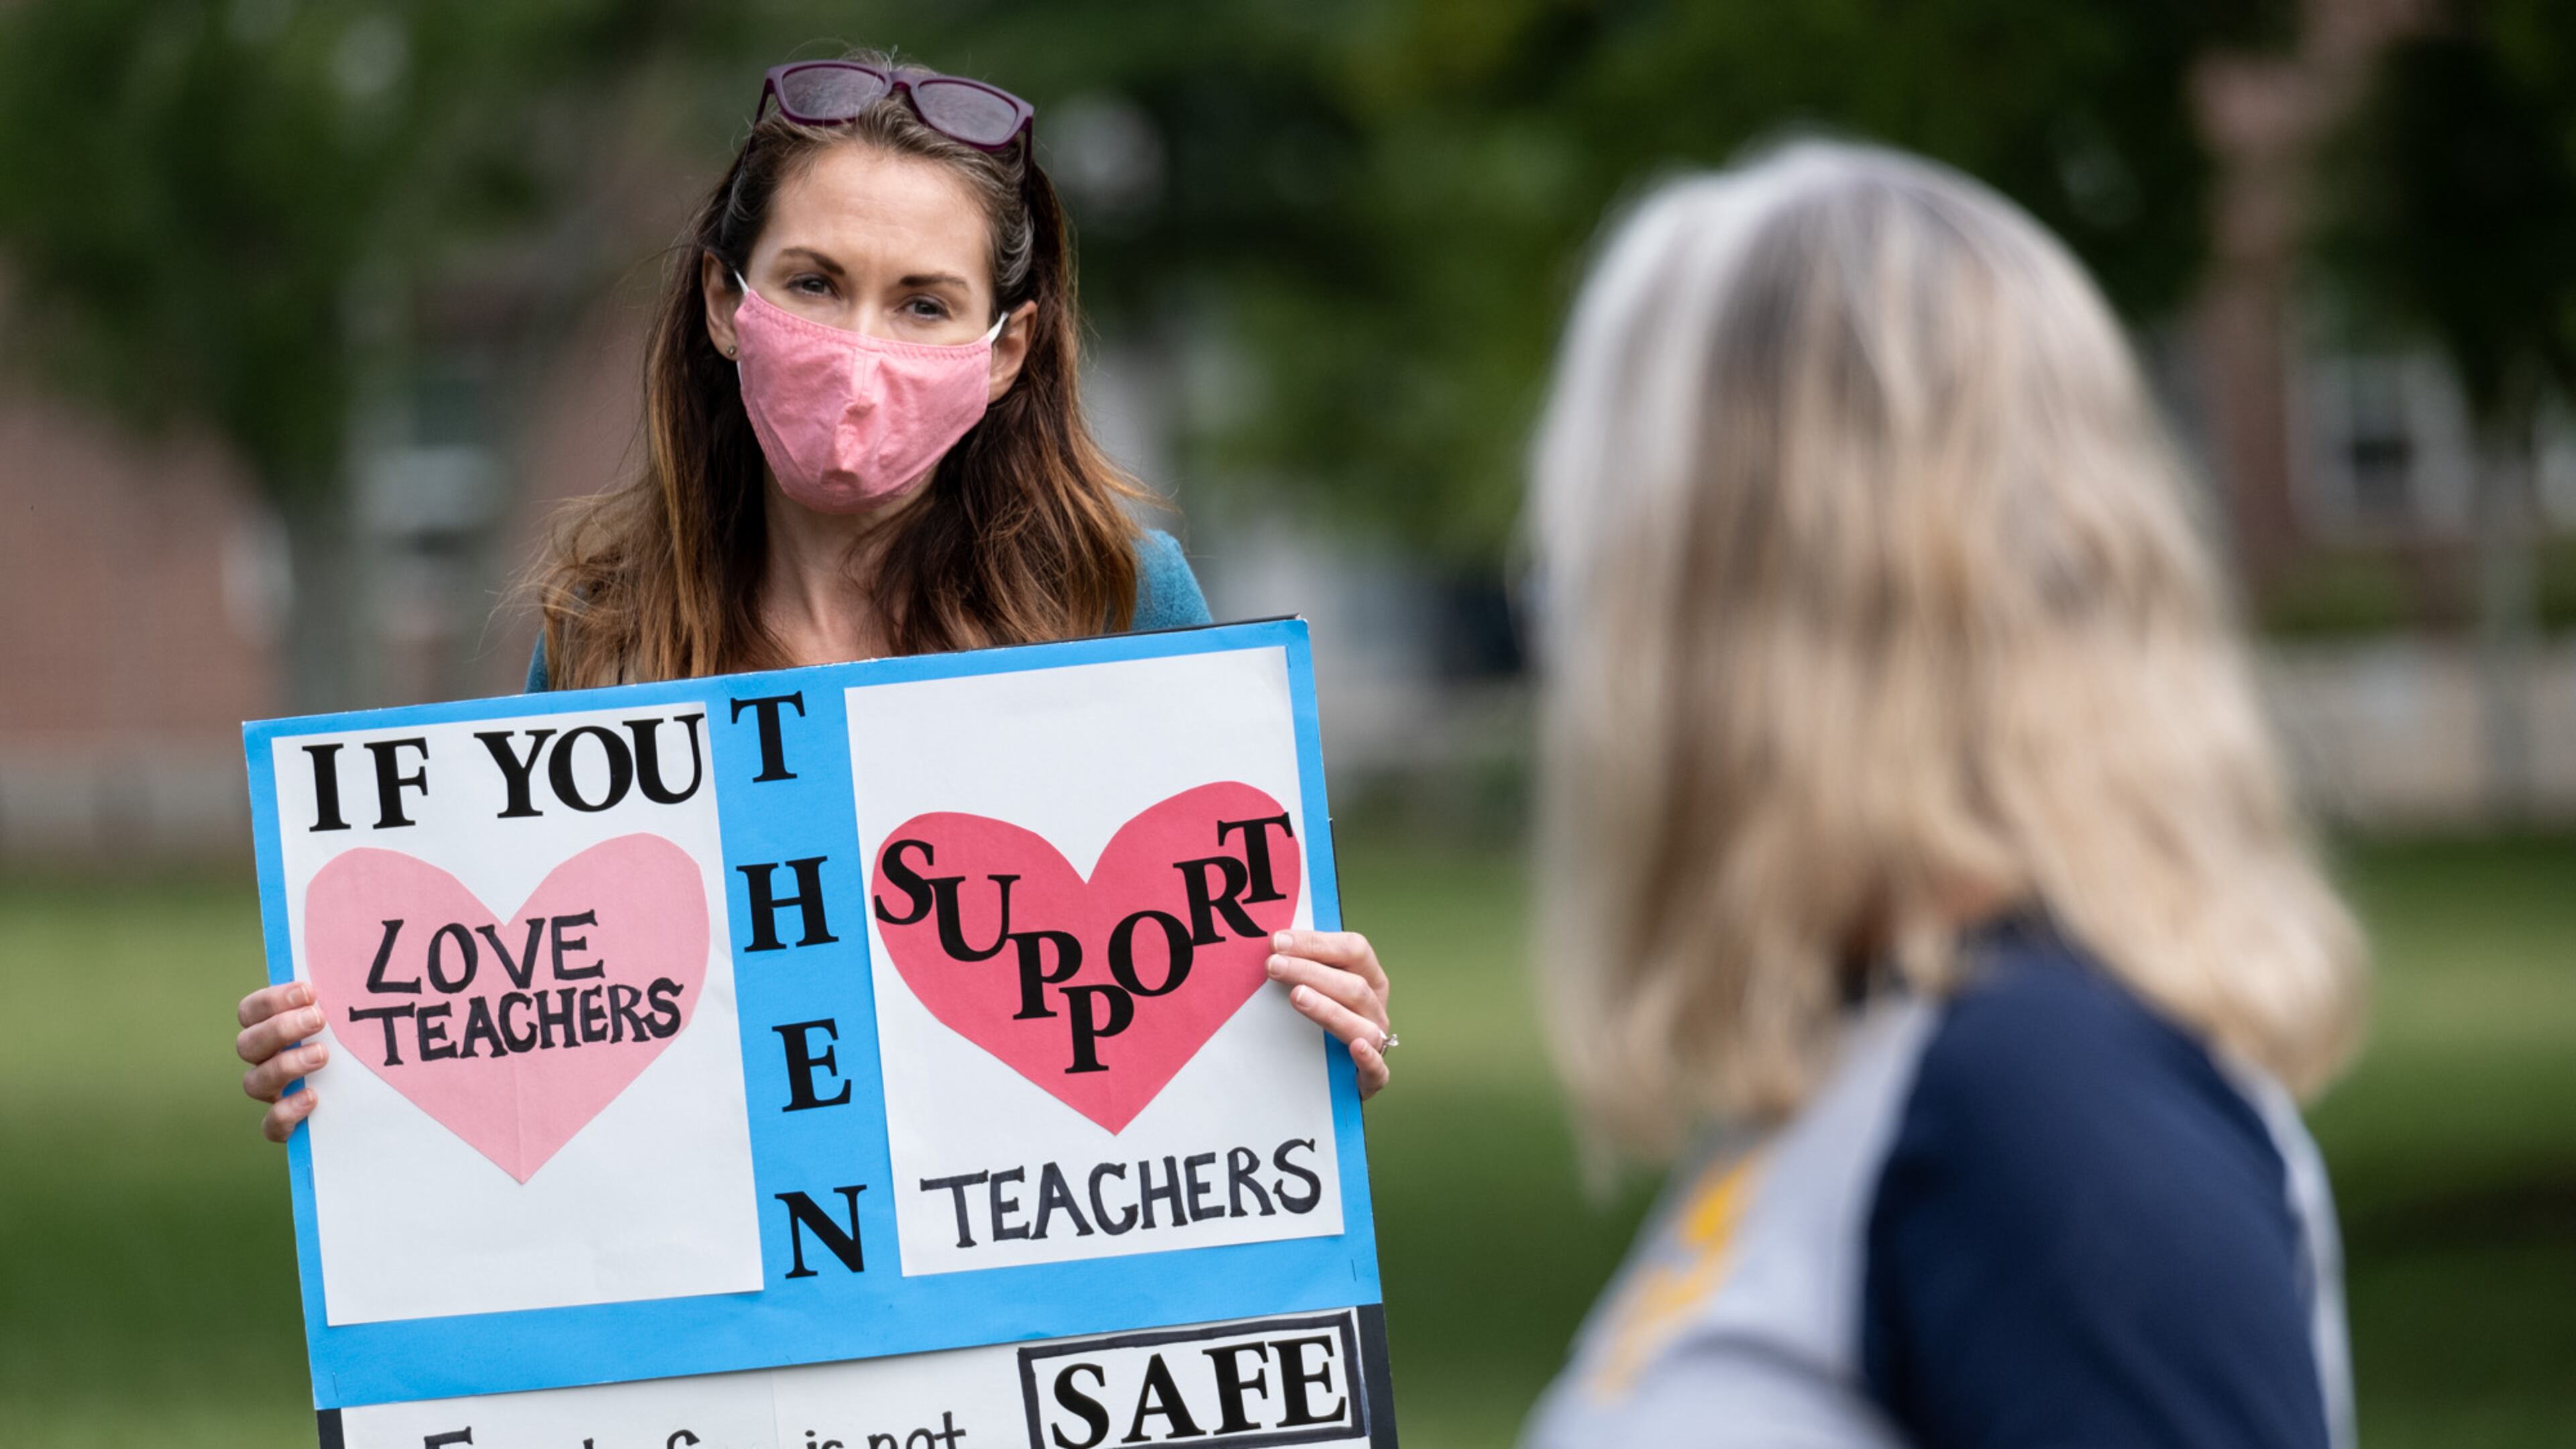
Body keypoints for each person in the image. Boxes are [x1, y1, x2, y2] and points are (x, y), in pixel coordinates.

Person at [233, 51, 1396, 1140]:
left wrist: (1316, 1013)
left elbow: (1207, 980)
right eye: (815, 283)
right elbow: (550, 1023)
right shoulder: (605, 635)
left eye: (924, 304)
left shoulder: (1121, 599)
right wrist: (369, 1082)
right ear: (723, 302)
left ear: (1005, 348)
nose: (860, 348)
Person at [1518, 140, 2366, 1449]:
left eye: (1610, 528)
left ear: (1754, 580)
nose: (1561, 587)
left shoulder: (2043, 1113)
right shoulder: (1887, 1062)